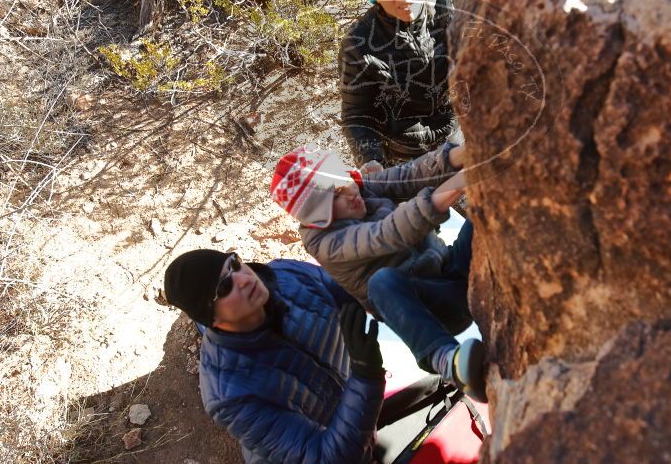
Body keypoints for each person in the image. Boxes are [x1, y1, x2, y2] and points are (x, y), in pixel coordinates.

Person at [270, 142, 487, 402]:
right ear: (319, 215)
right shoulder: (325, 242)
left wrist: (466, 151)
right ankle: (449, 362)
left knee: (484, 211)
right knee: (382, 282)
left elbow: (410, 175)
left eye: (346, 182)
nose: (350, 193)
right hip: (433, 310)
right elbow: (388, 233)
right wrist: (458, 183)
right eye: (335, 197)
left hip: (452, 268)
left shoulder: (362, 189)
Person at [163, 250, 385, 463]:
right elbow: (326, 457)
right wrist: (366, 375)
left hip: (357, 405)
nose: (245, 279)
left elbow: (355, 290)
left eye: (235, 263)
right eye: (224, 287)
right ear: (211, 319)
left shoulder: (289, 275)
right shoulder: (229, 395)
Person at [340, 0, 463, 168]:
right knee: (424, 206)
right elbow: (356, 114)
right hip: (406, 157)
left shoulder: (451, 5)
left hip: (459, 135)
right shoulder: (358, 43)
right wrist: (370, 159)